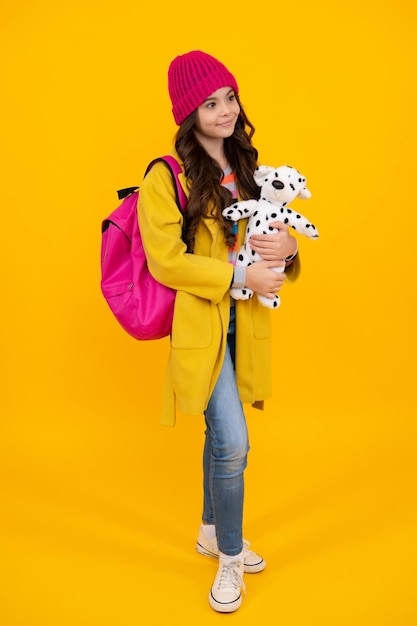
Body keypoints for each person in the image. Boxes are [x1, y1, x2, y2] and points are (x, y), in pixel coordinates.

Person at [138, 50, 300, 613]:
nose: (226, 111)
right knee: (232, 443)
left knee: (222, 438)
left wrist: (290, 248)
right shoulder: (166, 176)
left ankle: (210, 529)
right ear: (189, 113)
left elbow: (269, 238)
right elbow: (166, 261)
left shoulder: (249, 165)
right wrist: (238, 272)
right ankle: (230, 558)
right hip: (203, 328)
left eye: (230, 97)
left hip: (245, 323)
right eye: (210, 104)